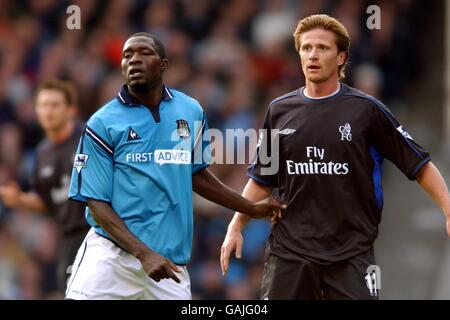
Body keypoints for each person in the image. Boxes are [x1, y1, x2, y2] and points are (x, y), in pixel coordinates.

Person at [220, 14, 450, 300]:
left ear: (341, 57)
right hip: (290, 251)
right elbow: (262, 178)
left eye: (323, 48)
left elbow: (419, 165)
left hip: (351, 252)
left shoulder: (367, 111)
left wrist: (448, 209)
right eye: (306, 48)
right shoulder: (278, 110)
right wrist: (236, 225)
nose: (313, 55)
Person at [65, 32, 285, 300]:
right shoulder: (102, 123)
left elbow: (196, 175)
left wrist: (249, 207)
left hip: (169, 265)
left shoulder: (189, 110)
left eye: (144, 53)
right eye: (127, 55)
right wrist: (143, 253)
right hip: (112, 259)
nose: (134, 60)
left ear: (163, 64)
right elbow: (96, 204)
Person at [0, 80, 90, 295]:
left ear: (71, 110)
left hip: (103, 234)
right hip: (71, 239)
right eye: (43, 105)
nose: (48, 111)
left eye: (55, 105)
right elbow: (48, 201)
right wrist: (20, 199)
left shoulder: (90, 139)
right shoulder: (43, 154)